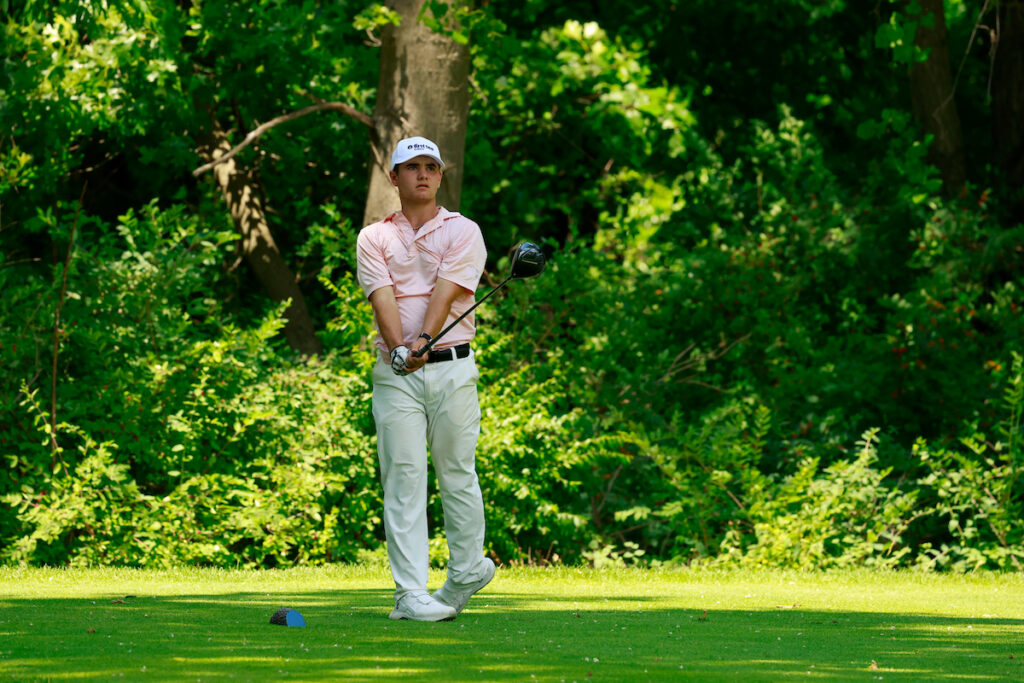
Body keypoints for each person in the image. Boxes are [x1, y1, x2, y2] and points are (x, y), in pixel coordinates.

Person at [356, 136, 496, 622]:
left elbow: (446, 292)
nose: (422, 174)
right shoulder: (373, 237)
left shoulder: (464, 231)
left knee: (457, 471)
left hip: (453, 367)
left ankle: (466, 570)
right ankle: (410, 593)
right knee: (404, 476)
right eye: (411, 166)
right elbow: (382, 298)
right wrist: (400, 348)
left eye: (430, 167)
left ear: (440, 176)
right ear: (393, 177)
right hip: (395, 373)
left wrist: (422, 342)